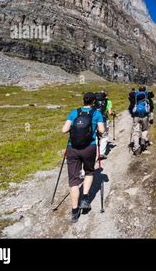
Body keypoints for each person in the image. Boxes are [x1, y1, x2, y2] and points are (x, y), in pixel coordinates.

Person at [62, 92, 105, 223]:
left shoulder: (74, 112)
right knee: (89, 171)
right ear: (94, 102)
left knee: (74, 180)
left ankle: (74, 212)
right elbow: (102, 131)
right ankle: (85, 198)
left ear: (83, 101)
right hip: (89, 148)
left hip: (72, 148)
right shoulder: (97, 114)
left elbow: (64, 130)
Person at [128, 86, 154, 155]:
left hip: (136, 116)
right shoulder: (146, 95)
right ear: (145, 90)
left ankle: (136, 148)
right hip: (145, 116)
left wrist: (132, 114)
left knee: (136, 132)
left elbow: (130, 106)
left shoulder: (135, 96)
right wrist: (151, 117)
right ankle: (143, 142)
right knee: (144, 130)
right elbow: (151, 106)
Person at [94, 90, 114, 159]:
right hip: (103, 119)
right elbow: (110, 112)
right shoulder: (108, 101)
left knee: (95, 135)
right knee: (104, 136)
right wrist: (113, 113)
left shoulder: (94, 100)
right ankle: (101, 153)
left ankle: (94, 152)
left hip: (94, 120)